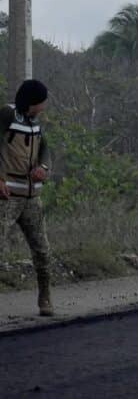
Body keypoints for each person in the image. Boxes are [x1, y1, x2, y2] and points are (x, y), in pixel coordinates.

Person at [0, 80, 54, 316]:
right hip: (7, 196)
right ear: (32, 101)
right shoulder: (7, 114)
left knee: (42, 250)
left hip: (32, 197)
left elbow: (45, 150)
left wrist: (43, 167)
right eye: (41, 101)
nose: (43, 106)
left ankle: (45, 297)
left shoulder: (36, 123)